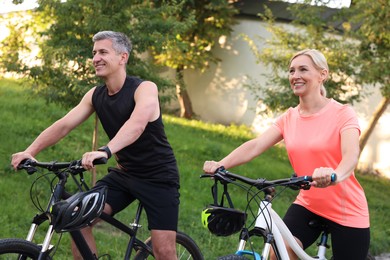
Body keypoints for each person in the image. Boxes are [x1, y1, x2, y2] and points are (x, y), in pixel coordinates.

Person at [11, 31, 180, 260]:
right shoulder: (95, 95)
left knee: (164, 250)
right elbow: (63, 125)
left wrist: (105, 150)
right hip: (124, 175)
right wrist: (31, 151)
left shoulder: (145, 89)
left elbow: (137, 125)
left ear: (123, 57)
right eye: (94, 53)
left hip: (159, 178)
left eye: (103, 52)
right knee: (77, 218)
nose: (95, 58)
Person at [203, 49, 370, 260]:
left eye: (303, 69)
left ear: (323, 74)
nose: (295, 75)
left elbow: (351, 156)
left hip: (347, 210)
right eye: (292, 71)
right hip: (308, 204)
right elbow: (255, 145)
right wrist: (221, 164)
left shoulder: (342, 113)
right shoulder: (289, 118)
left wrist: (334, 174)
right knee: (277, 254)